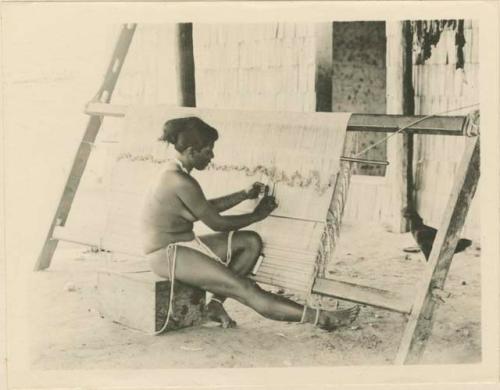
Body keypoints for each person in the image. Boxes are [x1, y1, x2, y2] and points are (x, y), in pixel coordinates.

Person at [142, 116, 359, 330]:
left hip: (182, 244)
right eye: (208, 150)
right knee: (245, 288)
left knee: (250, 242)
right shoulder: (180, 181)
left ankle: (215, 305)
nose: (212, 156)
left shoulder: (174, 172)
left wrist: (243, 195)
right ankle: (322, 318)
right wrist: (258, 215)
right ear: (191, 151)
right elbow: (216, 223)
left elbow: (202, 206)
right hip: (165, 254)